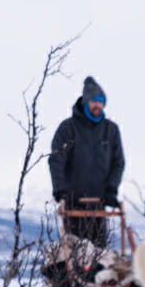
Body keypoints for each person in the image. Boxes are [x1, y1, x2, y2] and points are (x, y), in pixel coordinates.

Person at [50, 76, 125, 246]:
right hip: (73, 203)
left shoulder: (110, 130)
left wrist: (112, 189)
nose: (98, 105)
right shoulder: (68, 128)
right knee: (76, 252)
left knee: (99, 255)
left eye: (101, 102)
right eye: (94, 101)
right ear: (86, 102)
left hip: (99, 203)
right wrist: (61, 190)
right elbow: (56, 161)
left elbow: (118, 162)